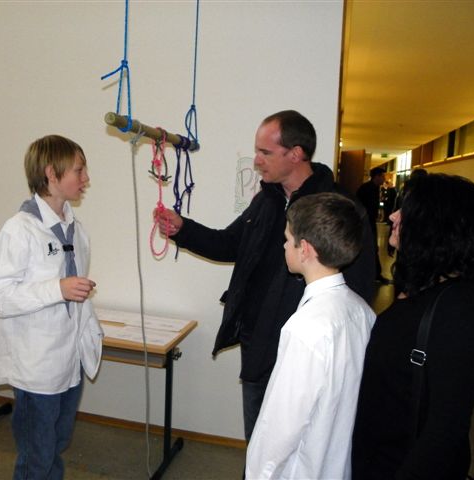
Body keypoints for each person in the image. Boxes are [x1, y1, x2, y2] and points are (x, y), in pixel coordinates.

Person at [155, 110, 375, 443]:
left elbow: (358, 289)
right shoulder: (267, 200)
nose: (257, 160)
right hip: (258, 342)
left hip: (304, 350)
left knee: (297, 445)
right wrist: (182, 229)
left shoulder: (338, 208)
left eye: (265, 152)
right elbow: (230, 244)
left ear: (296, 154)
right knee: (259, 440)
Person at [351, 174, 474, 480]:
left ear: (436, 224)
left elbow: (444, 432)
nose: (393, 216)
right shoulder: (425, 287)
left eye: (406, 209)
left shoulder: (460, 311)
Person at [0, 135, 104, 479]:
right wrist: (57, 289)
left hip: (69, 360)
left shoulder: (76, 231)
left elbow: (74, 297)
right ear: (51, 173)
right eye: (78, 170)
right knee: (37, 455)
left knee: (57, 444)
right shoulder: (19, 230)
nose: (85, 178)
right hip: (36, 366)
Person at [245, 192, 376, 480]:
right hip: (338, 463)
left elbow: (281, 424)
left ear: (304, 249)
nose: (283, 245)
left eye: (287, 238)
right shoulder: (361, 311)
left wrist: (258, 474)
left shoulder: (306, 328)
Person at [356, 166, 389, 283]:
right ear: (376, 177)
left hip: (369, 222)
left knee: (373, 248)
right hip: (365, 223)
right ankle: (374, 274)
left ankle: (374, 274)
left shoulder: (374, 188)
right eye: (382, 176)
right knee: (371, 248)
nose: (384, 179)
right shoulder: (367, 189)